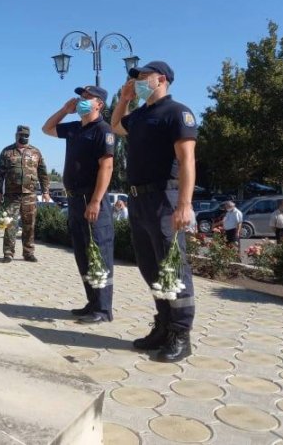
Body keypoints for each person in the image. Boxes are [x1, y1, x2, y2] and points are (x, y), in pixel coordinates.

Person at [111, 60, 197, 363]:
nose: (138, 81)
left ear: (161, 79)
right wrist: (123, 100)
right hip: (138, 200)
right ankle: (163, 325)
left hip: (165, 197)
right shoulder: (141, 115)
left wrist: (184, 205)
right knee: (150, 266)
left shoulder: (177, 112)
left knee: (172, 267)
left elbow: (187, 160)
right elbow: (116, 126)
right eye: (136, 78)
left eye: (143, 77)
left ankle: (180, 334)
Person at [43, 85, 115, 324]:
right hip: (74, 199)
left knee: (98, 253)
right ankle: (92, 303)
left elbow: (107, 167)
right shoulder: (75, 128)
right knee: (83, 254)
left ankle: (103, 309)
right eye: (81, 96)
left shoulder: (102, 130)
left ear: (99, 104)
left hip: (90, 198)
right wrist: (65, 109)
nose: (82, 100)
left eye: (88, 97)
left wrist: (95, 201)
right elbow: (47, 128)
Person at [0, 125, 50, 263]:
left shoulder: (36, 152)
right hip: (11, 195)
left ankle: (28, 252)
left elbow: (43, 173)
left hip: (30, 195)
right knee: (9, 224)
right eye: (21, 135)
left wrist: (46, 191)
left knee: (29, 224)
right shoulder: (7, 152)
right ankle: (8, 253)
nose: (23, 138)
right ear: (16, 135)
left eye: (26, 135)